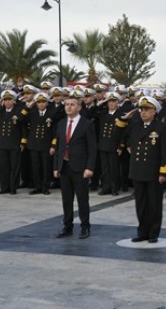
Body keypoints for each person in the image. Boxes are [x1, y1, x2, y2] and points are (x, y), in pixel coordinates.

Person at [117, 96, 166, 243]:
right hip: (138, 170)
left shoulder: (161, 128)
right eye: (141, 109)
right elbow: (119, 131)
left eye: (147, 109)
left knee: (154, 204)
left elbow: (165, 152)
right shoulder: (135, 126)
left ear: (154, 112)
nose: (143, 112)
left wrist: (163, 172)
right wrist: (126, 118)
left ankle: (153, 232)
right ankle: (142, 231)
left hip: (153, 172)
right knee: (140, 203)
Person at [52, 91, 97, 240]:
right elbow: (59, 146)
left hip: (80, 168)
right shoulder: (61, 123)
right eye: (67, 105)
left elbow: (92, 148)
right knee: (66, 199)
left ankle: (85, 227)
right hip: (64, 166)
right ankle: (67, 226)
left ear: (79, 107)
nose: (69, 107)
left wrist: (89, 167)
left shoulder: (87, 124)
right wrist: (56, 167)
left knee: (82, 199)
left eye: (72, 105)